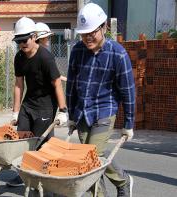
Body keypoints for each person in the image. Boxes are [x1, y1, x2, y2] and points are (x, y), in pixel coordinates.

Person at [66, 3, 135, 197]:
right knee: (90, 160)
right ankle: (99, 194)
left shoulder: (117, 54)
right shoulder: (77, 51)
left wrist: (129, 123)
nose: (87, 38)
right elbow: (71, 85)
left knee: (94, 155)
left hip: (105, 110)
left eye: (92, 32)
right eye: (84, 33)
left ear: (104, 27)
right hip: (82, 112)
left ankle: (123, 180)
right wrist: (70, 115)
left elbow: (128, 91)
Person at [7, 17, 68, 187]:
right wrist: (16, 111)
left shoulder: (45, 57)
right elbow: (19, 85)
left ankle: (48, 175)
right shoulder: (19, 57)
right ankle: (24, 174)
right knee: (22, 139)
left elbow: (57, 84)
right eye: (18, 41)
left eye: (24, 40)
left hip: (46, 106)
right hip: (28, 103)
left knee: (40, 142)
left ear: (34, 36)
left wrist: (63, 110)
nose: (22, 44)